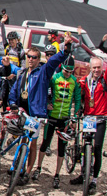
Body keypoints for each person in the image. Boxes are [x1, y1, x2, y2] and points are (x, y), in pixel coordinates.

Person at [8, 36, 73, 180]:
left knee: (32, 143)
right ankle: (18, 165)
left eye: (34, 57)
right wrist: (12, 103)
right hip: (22, 112)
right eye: (29, 56)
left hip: (36, 114)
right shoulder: (22, 73)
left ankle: (28, 172)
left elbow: (53, 62)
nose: (31, 59)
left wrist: (64, 51)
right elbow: (14, 91)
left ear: (38, 59)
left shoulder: (43, 72)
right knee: (22, 140)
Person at [34, 56, 83, 187]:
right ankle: (38, 168)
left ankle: (57, 174)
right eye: (66, 71)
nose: (68, 74)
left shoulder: (74, 81)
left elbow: (77, 99)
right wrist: (47, 103)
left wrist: (74, 116)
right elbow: (45, 91)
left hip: (65, 119)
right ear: (62, 68)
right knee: (45, 143)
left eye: (71, 72)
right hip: (52, 116)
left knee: (62, 148)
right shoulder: (55, 78)